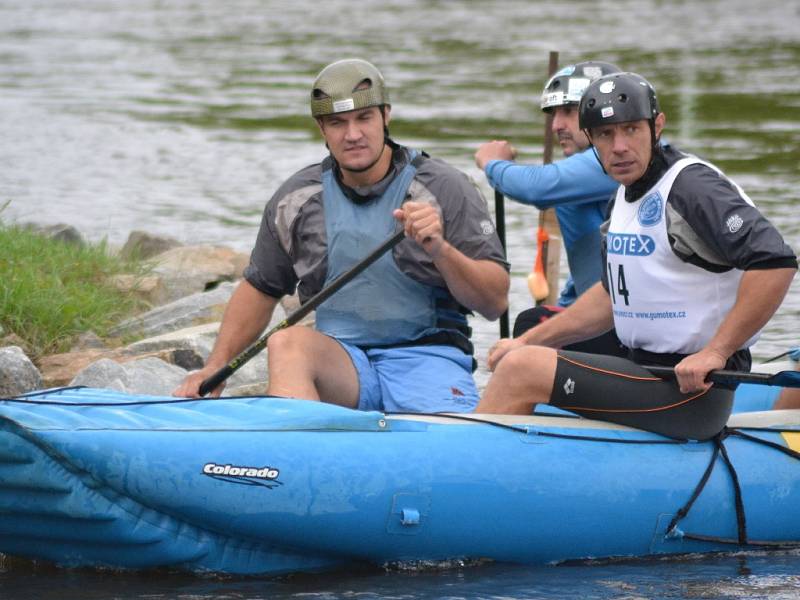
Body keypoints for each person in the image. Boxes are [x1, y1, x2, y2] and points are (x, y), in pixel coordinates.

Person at [174, 58, 510, 413]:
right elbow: (261, 288)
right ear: (322, 128)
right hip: (342, 363)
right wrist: (215, 366)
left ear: (386, 115)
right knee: (285, 343)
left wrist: (440, 249)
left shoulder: (446, 188)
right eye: (338, 123)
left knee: (445, 446)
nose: (352, 135)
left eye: (364, 118)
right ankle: (301, 456)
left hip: (426, 358)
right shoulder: (297, 198)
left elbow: (495, 302)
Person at [476, 71, 797, 440]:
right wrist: (528, 341)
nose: (619, 147)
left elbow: (775, 262)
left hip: (692, 394)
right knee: (528, 341)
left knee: (521, 369)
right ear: (591, 140)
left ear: (656, 126)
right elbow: (610, 296)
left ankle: (456, 474)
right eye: (605, 135)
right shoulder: (626, 193)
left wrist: (716, 352)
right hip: (643, 371)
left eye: (631, 130)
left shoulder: (691, 188)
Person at [474, 60, 625, 355]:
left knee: (531, 324)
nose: (556, 125)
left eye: (568, 112)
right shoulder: (586, 170)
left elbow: (538, 188)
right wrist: (567, 308)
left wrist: (494, 163)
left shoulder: (618, 157)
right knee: (542, 322)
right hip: (606, 315)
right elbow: (589, 266)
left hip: (631, 326)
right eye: (554, 114)